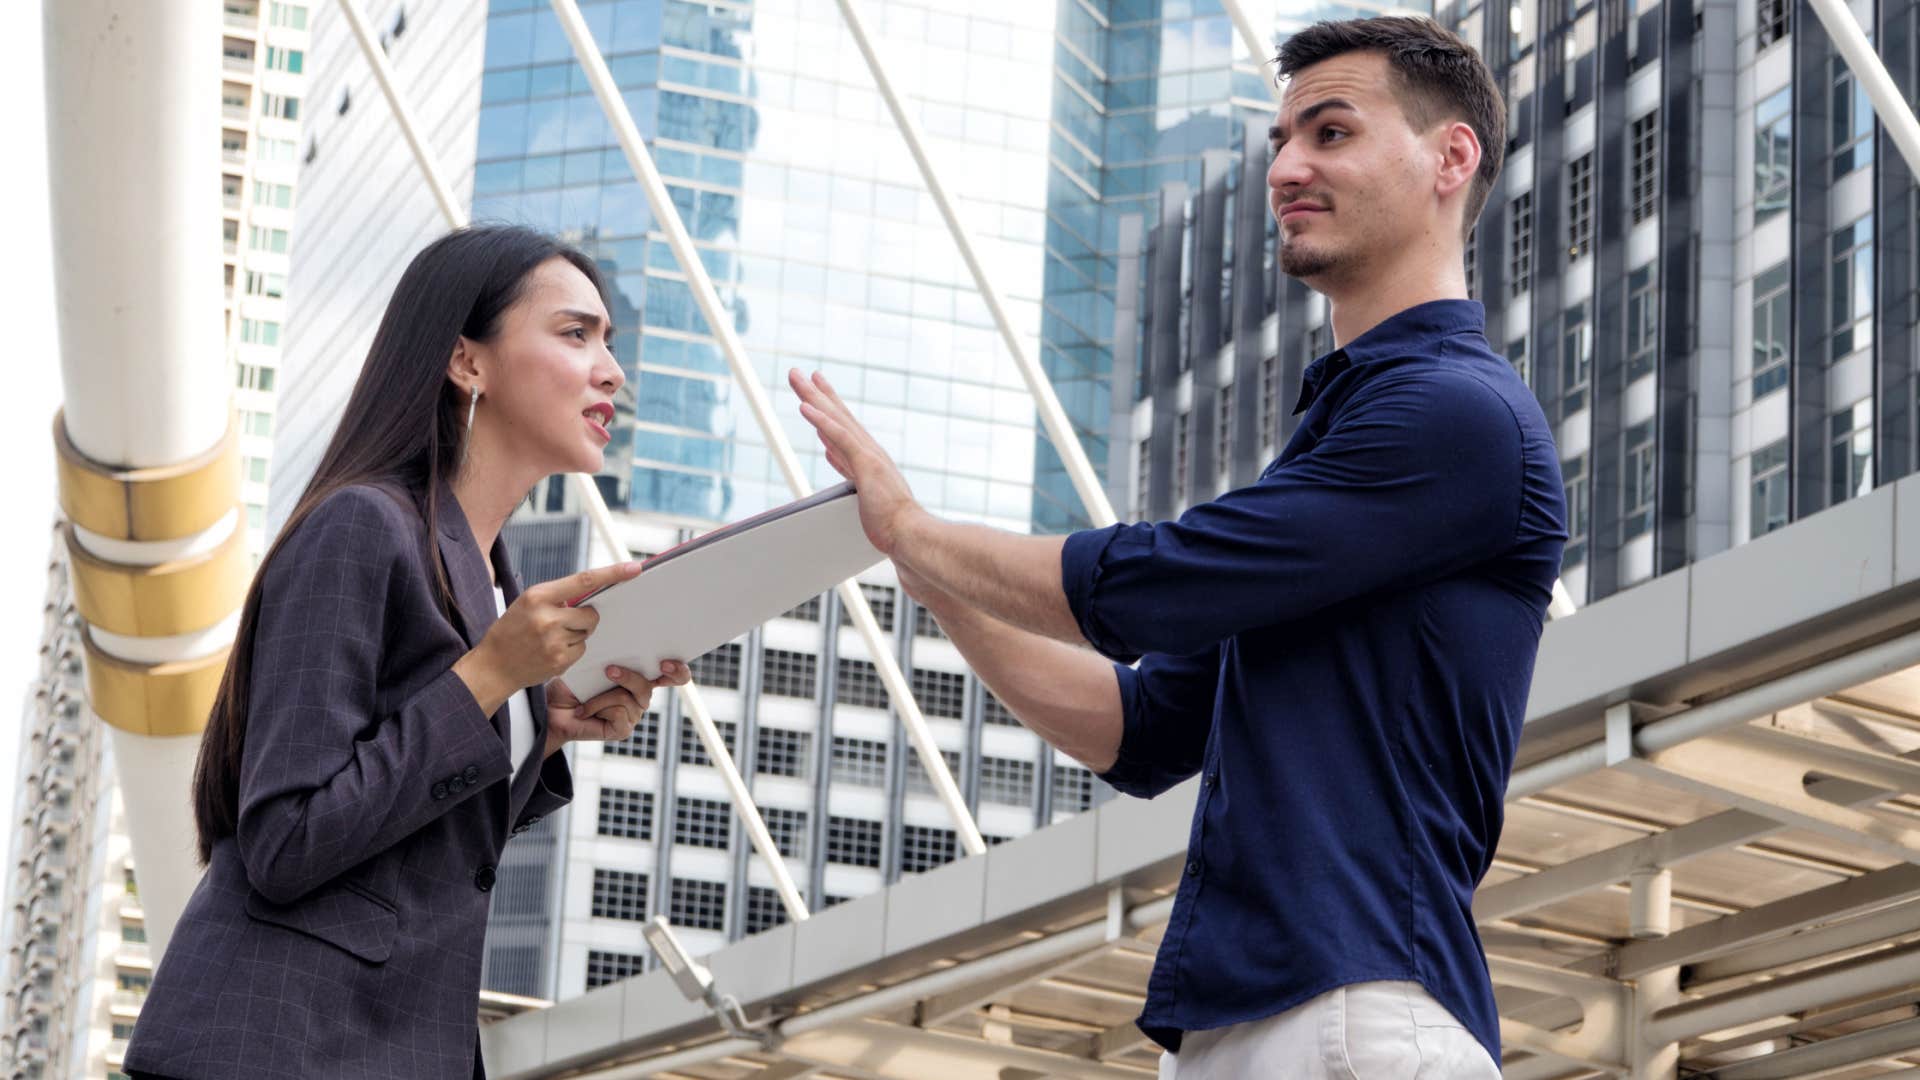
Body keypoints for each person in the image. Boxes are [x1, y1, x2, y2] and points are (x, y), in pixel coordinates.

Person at [790, 16, 1564, 1078]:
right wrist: (918, 559)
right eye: (1282, 141)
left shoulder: (1453, 416)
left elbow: (1151, 587)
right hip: (1251, 1024)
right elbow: (1144, 728)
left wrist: (918, 529)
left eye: (1331, 133)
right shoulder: (1349, 440)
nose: (1288, 167)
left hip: (1359, 1015)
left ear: (1451, 157)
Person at [126, 225, 690, 1079]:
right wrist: (491, 680)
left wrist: (541, 725)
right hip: (281, 1047)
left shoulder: (497, 579)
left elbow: (421, 849)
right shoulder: (361, 526)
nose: (612, 370)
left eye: (609, 342)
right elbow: (287, 841)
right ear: (468, 362)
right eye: (576, 334)